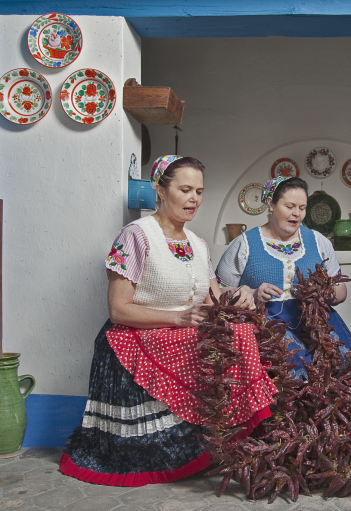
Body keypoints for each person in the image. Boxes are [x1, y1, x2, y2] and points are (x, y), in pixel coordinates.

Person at [60, 156, 277, 486]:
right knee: (230, 338)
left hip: (180, 334)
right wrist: (177, 317)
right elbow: (118, 310)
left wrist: (243, 293)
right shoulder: (136, 236)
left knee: (243, 330)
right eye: (185, 189)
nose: (194, 199)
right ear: (160, 190)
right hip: (136, 337)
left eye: (200, 191)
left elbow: (214, 300)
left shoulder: (198, 244)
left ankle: (240, 438)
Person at [216, 176, 351, 378]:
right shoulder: (244, 243)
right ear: (271, 204)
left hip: (314, 321)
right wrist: (253, 294)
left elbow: (341, 291)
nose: (297, 214)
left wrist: (325, 291)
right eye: (289, 206)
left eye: (302, 207)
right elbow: (218, 292)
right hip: (265, 324)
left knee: (342, 371)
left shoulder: (318, 241)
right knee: (292, 377)